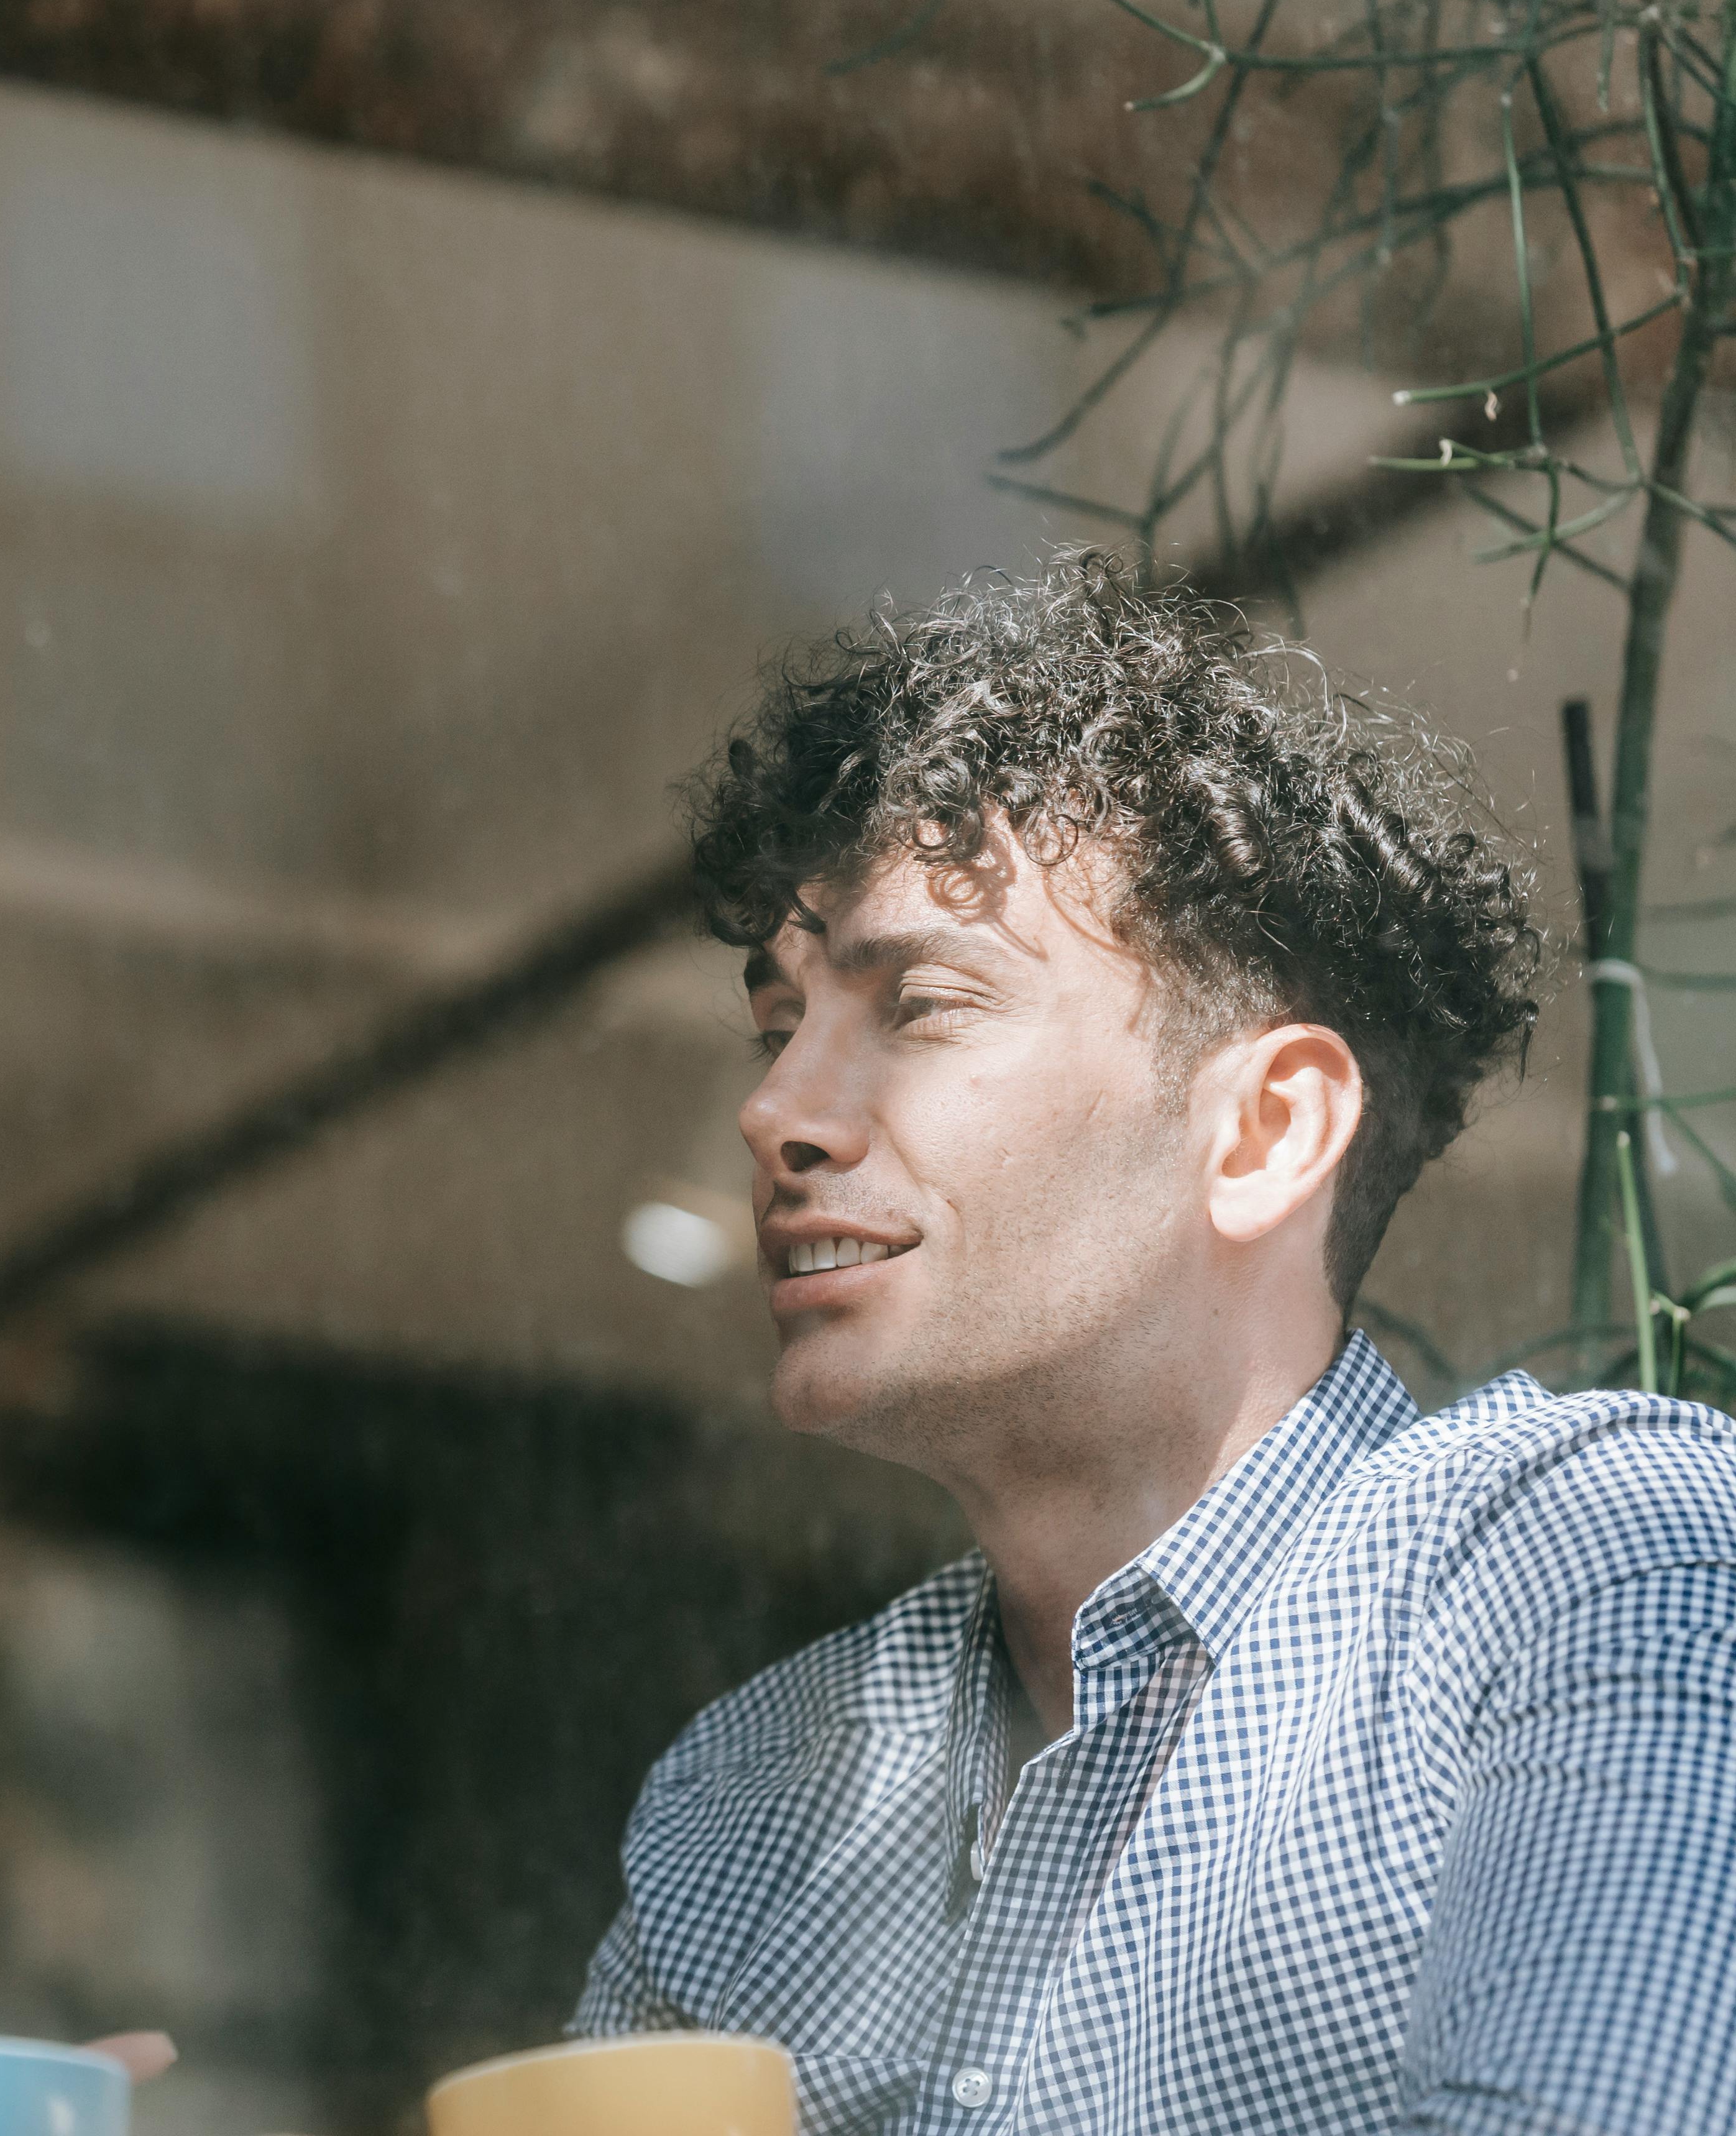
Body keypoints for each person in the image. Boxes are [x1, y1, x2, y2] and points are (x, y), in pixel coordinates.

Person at [574, 552, 1736, 2130]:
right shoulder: (749, 1799)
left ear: (1264, 1129)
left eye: (917, 1004)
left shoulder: (1593, 1568)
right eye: (781, 1027)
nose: (772, 1109)